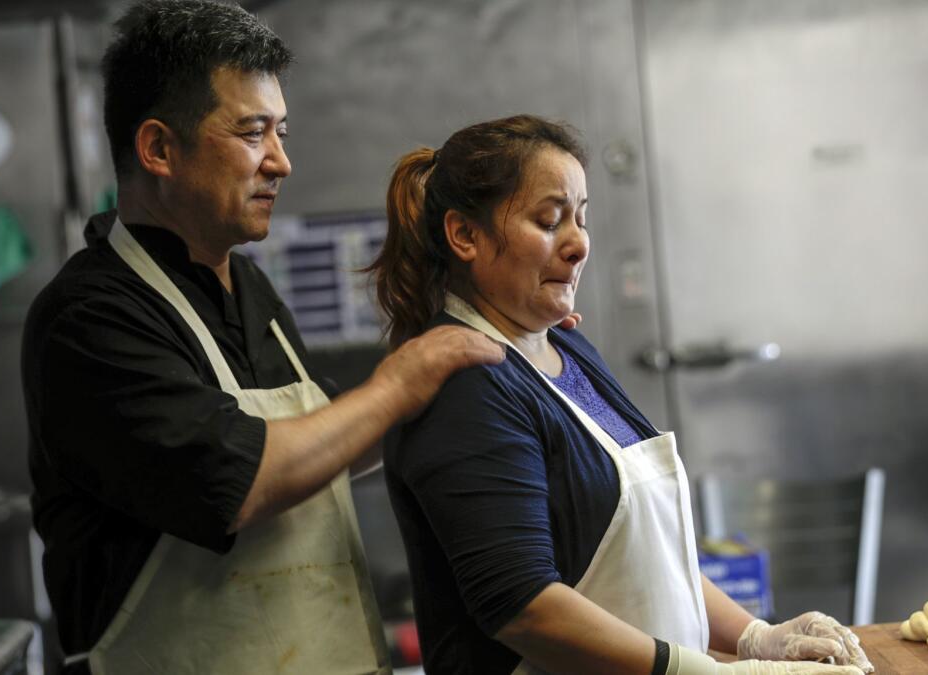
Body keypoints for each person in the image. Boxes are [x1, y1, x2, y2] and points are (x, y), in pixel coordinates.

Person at [21, 2, 504, 673]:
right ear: (158, 148)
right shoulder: (91, 316)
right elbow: (237, 483)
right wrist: (402, 380)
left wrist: (470, 365)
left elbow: (328, 443)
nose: (282, 162)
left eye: (281, 131)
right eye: (253, 133)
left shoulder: (250, 290)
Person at [369, 114, 876, 675]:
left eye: (582, 218)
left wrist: (756, 637)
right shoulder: (467, 385)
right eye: (548, 220)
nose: (579, 243)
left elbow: (651, 557)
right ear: (465, 234)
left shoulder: (566, 348)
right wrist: (703, 672)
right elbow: (523, 608)